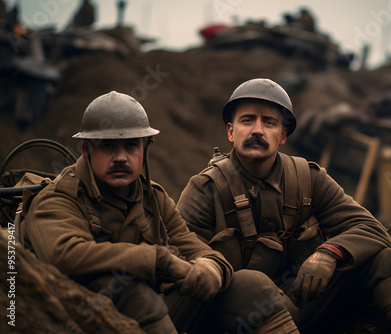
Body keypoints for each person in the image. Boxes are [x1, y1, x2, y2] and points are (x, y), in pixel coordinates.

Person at [177, 78, 391, 333]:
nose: (257, 130)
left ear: (283, 136)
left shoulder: (307, 178)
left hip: (298, 304)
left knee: (387, 260)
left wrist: (329, 254)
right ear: (230, 131)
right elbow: (181, 273)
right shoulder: (206, 189)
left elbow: (372, 230)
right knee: (250, 284)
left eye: (269, 122)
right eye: (247, 120)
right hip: (237, 321)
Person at [23, 91, 300, 334]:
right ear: (86, 150)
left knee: (248, 285)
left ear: (145, 150)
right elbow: (65, 253)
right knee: (131, 291)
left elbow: (196, 248)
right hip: (76, 319)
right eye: (108, 146)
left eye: (131, 146)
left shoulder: (153, 198)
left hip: (150, 317)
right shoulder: (58, 197)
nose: (121, 157)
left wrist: (210, 269)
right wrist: (160, 261)